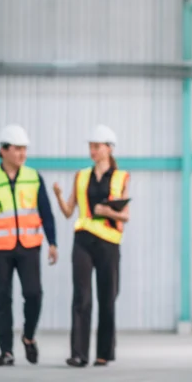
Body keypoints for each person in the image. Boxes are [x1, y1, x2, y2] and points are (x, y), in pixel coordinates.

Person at [0, 124, 58, 367]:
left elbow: (46, 212)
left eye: (24, 149)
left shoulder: (33, 177)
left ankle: (28, 337)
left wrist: (53, 242)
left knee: (34, 294)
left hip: (28, 247)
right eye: (17, 149)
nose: (22, 154)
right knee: (2, 299)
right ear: (4, 151)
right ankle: (6, 351)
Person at [52, 125, 131, 368]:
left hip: (109, 242)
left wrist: (106, 211)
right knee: (82, 296)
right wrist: (58, 195)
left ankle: (103, 354)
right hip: (83, 239)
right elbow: (68, 212)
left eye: (97, 146)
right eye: (91, 146)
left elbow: (125, 216)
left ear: (109, 149)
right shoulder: (81, 176)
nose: (93, 150)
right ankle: (79, 353)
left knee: (107, 298)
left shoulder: (121, 177)